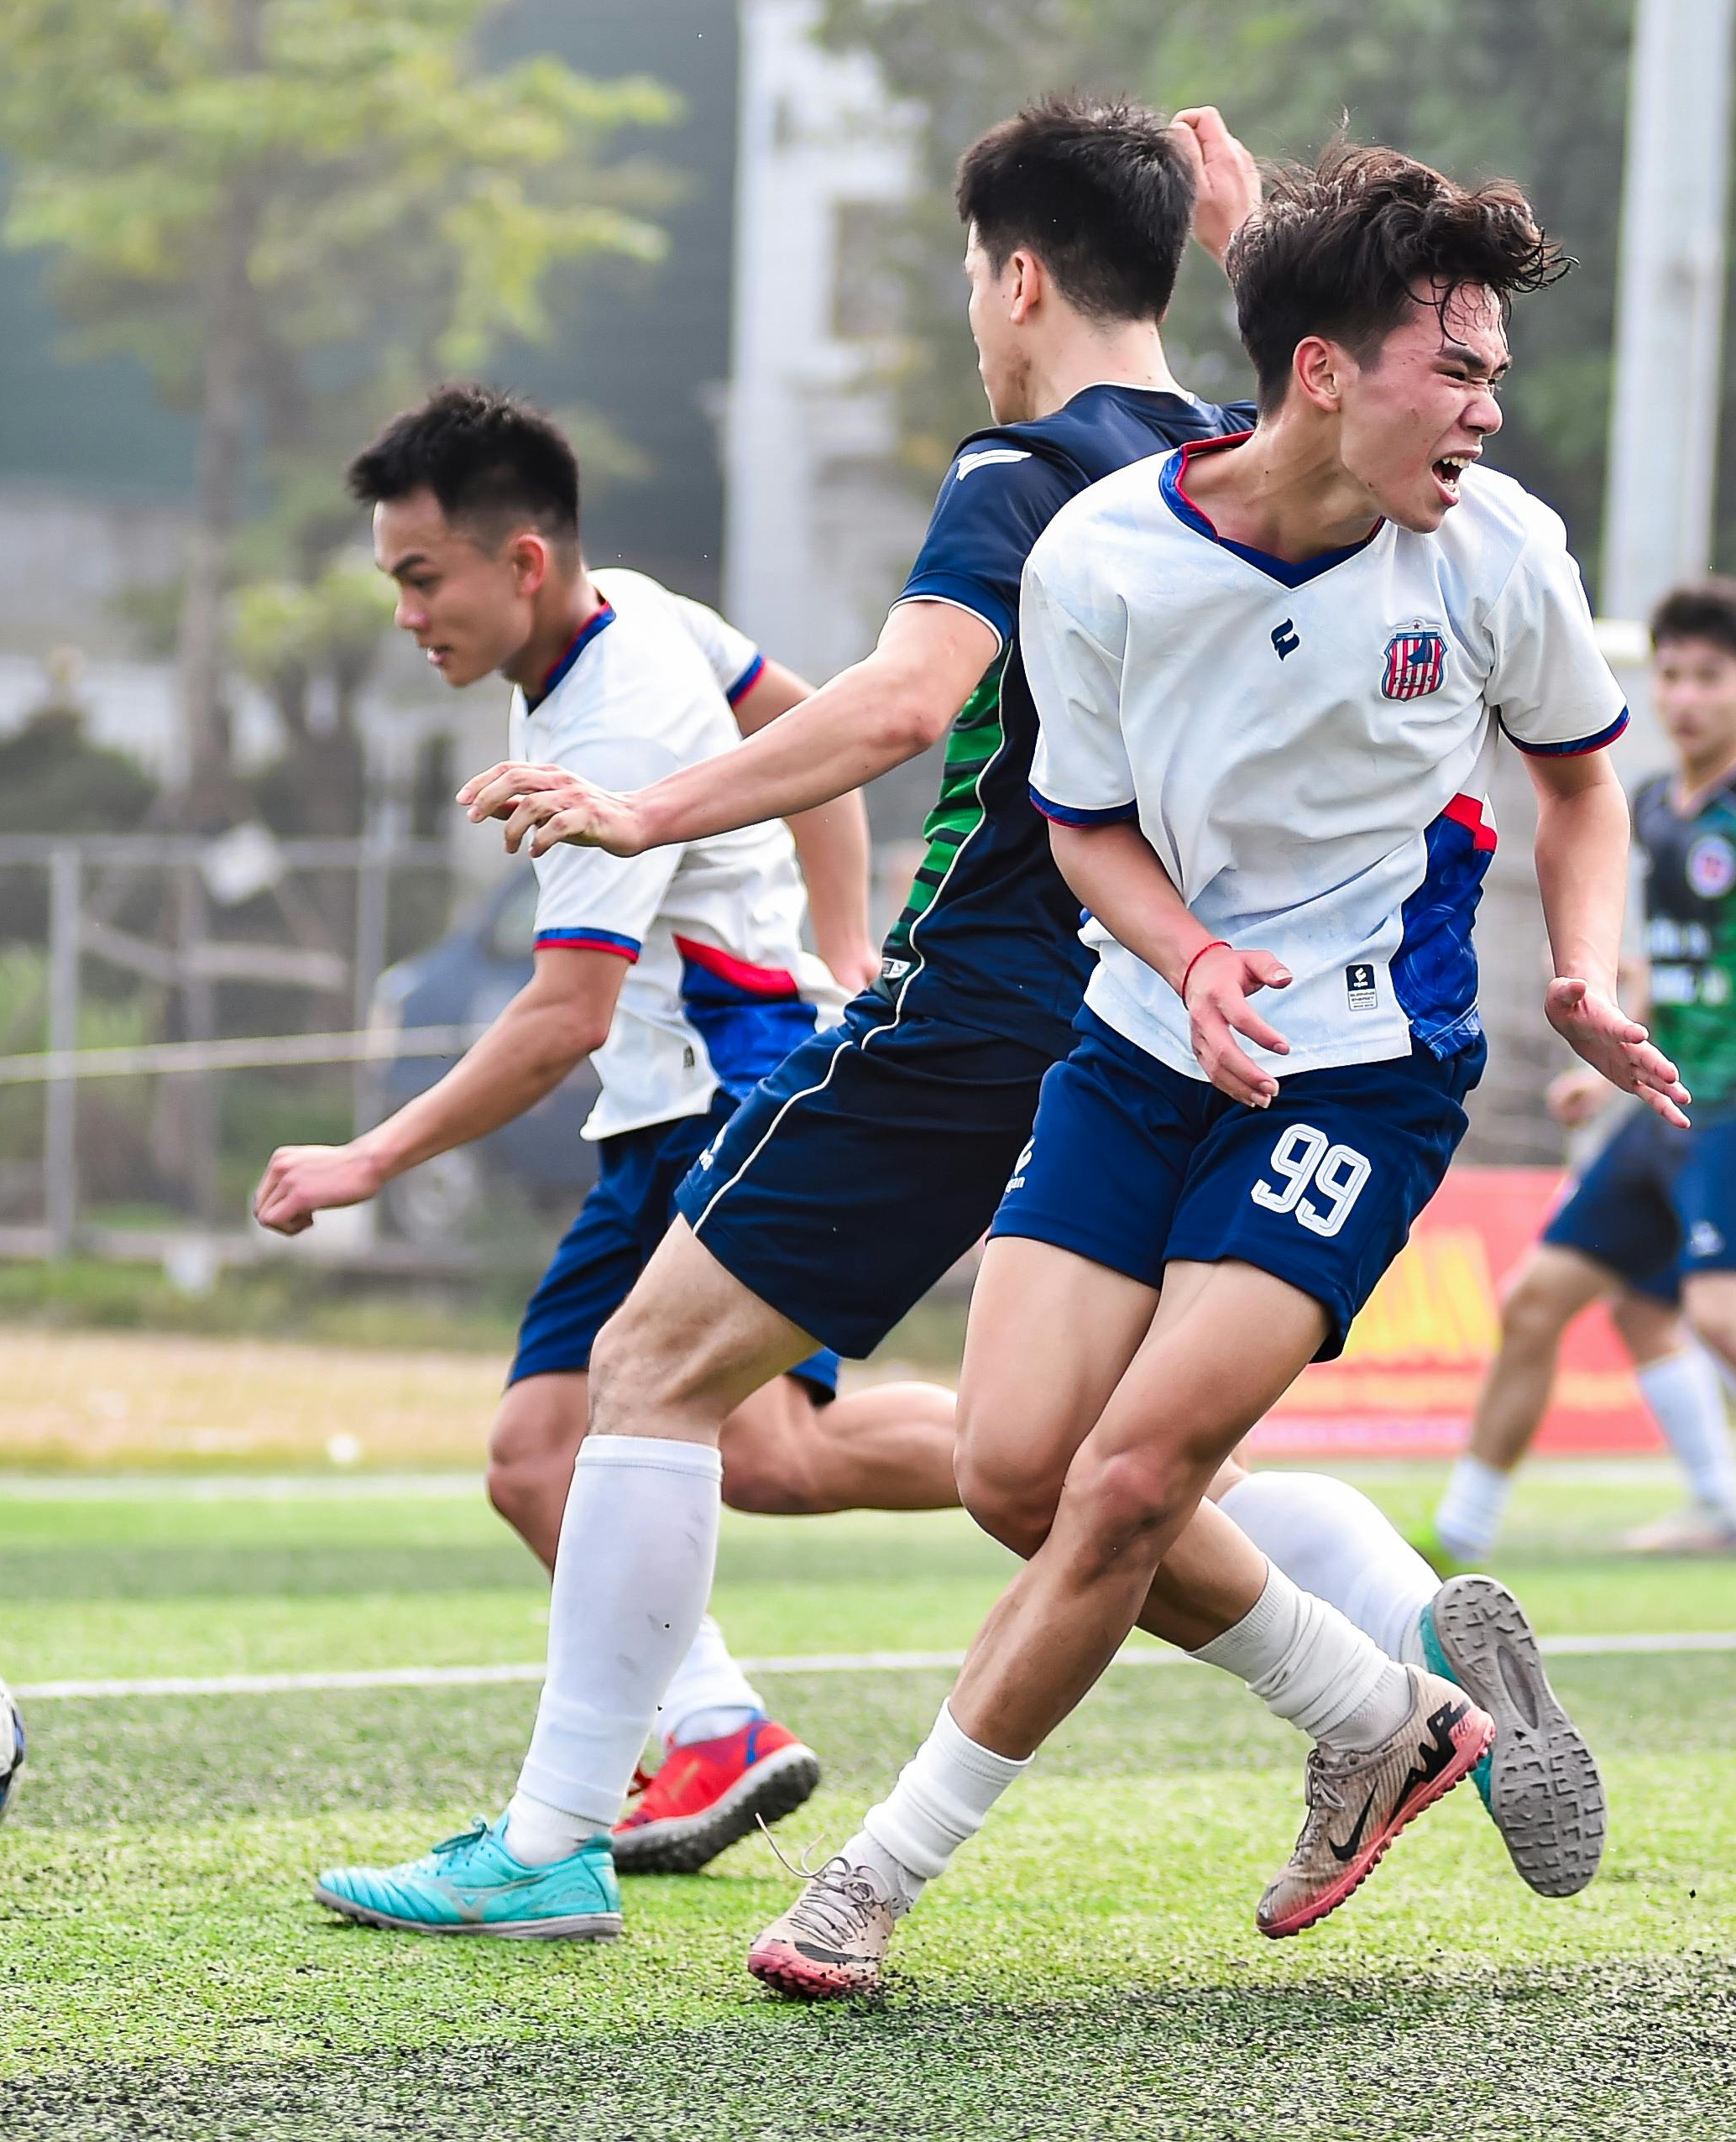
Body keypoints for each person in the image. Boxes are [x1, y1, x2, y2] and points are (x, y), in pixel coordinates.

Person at [336, 99, 1600, 1957]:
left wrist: (650, 811)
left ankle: (555, 1832)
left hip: (1022, 991)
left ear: (1014, 276)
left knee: (653, 1373)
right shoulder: (1236, 439)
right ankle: (1401, 1633)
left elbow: (895, 703)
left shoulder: (1027, 477)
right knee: (1108, 1465)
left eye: (966, 279)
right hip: (1171, 1005)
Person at [740, 137, 1681, 2001]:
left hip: (1361, 1074)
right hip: (1137, 1041)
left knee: (1128, 1478)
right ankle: (1390, 1711)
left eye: (1498, 370)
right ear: (1323, 371)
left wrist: (1585, 963)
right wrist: (1186, 957)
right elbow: (1081, 825)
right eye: (1460, 368)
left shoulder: (1498, 557)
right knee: (1015, 1465)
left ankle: (872, 1875)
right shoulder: (1102, 557)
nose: (1491, 409)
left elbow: (1577, 780)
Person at [252, 381, 956, 1889]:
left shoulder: (614, 717)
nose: (401, 613)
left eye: (416, 577)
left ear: (518, 564)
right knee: (534, 1461)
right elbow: (815, 732)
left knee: (772, 1453)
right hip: (663, 1110)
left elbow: (560, 1018)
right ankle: (716, 1727)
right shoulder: (628, 614)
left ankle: (1092, 1461)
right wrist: (843, 938)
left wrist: (366, 1160)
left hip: (724, 1089)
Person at [1422, 580, 1736, 1628]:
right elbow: (1670, 959)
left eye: (1710, 677)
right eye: (1670, 674)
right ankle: (1454, 1540)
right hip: (1662, 1102)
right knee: (1537, 1298)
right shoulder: (1655, 805)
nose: (1684, 696)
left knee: (1722, 1311)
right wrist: (1607, 1047)